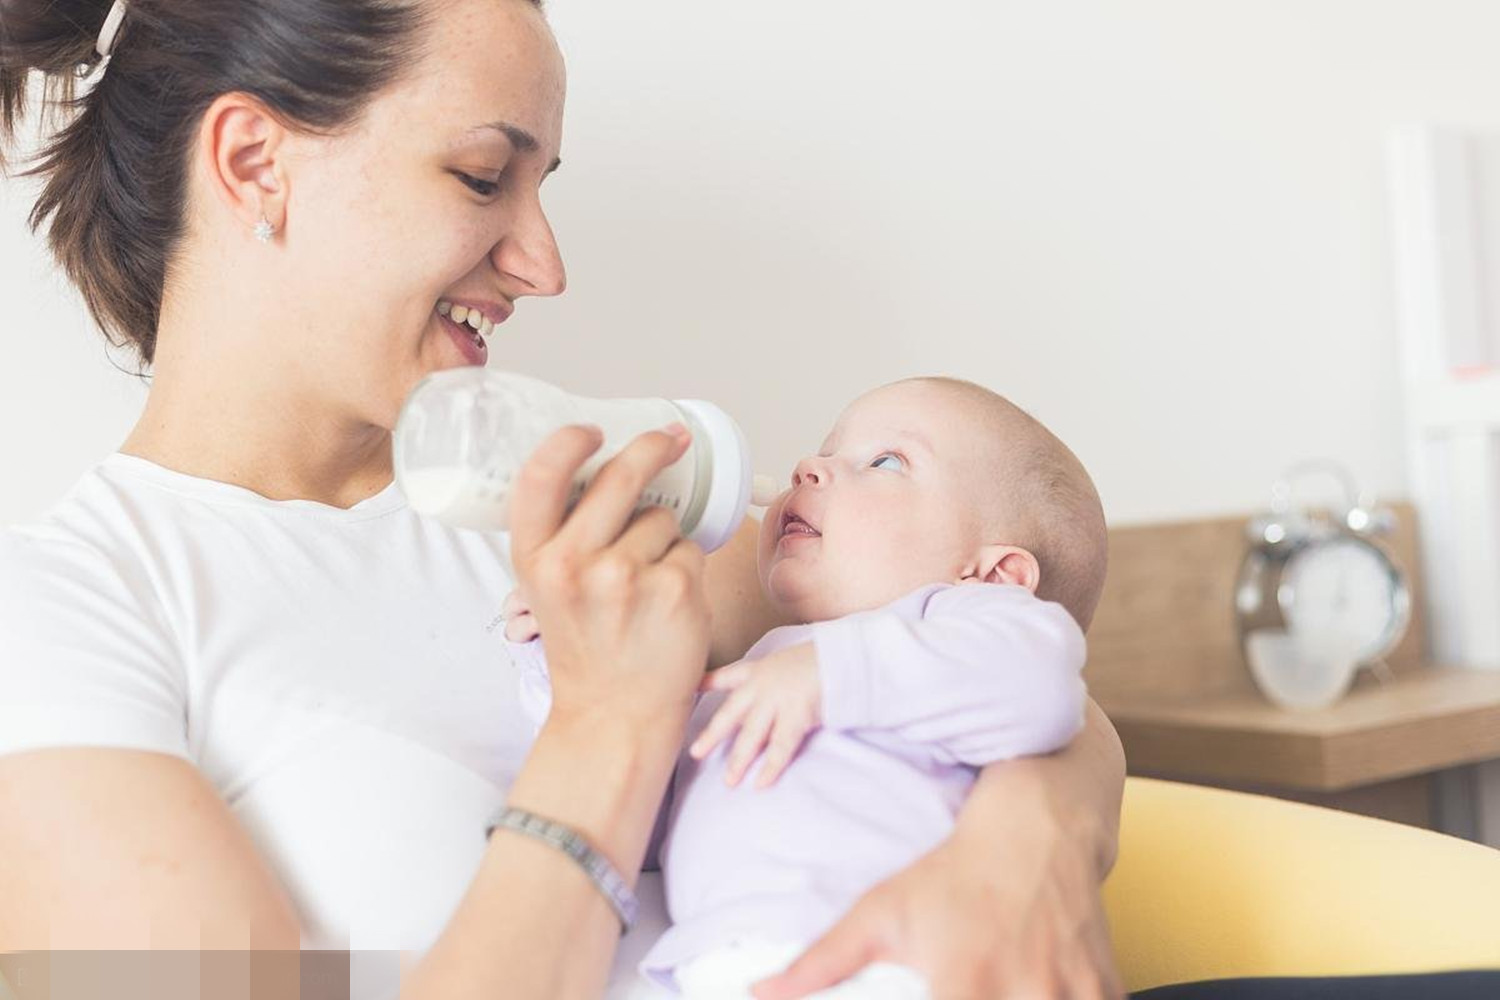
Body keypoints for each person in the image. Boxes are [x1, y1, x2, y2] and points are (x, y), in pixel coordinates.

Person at [0, 2, 1128, 998]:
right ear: (255, 163)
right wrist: (607, 729)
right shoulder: (66, 616)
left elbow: (1001, 653)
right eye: (483, 175)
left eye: (542, 188)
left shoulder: (573, 510)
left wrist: (1025, 845)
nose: (545, 267)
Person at [500, 376, 1109, 998]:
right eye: (824, 450)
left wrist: (832, 671)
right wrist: (567, 657)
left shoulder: (957, 628)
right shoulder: (760, 666)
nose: (807, 468)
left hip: (894, 963)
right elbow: (635, 817)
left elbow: (1041, 685)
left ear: (993, 576)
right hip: (719, 967)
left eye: (885, 461)